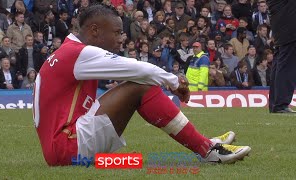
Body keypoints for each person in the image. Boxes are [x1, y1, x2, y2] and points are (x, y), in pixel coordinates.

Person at [33, 5, 251, 166]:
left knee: (138, 83)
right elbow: (140, 69)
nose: (120, 39)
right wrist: (174, 82)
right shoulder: (79, 53)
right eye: (116, 32)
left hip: (61, 146)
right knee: (141, 85)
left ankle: (204, 142)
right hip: (68, 147)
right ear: (95, 30)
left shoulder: (69, 51)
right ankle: (207, 149)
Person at [268, 0, 296, 113]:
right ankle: (280, 104)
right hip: (290, 31)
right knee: (286, 67)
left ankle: (275, 104)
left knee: (279, 64)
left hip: (282, 31)